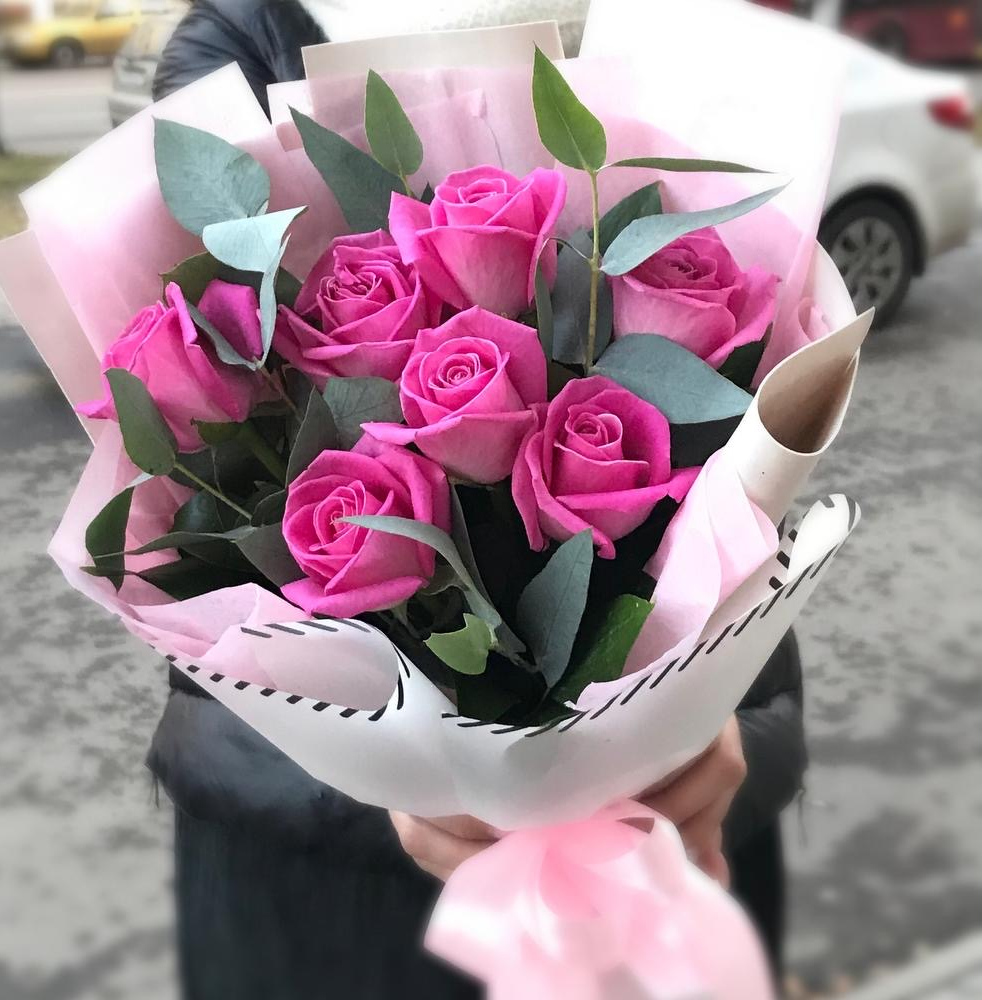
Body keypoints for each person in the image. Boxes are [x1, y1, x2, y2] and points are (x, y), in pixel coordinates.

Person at [150, 4, 808, 996]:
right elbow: (211, 582)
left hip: (672, 827)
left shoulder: (683, 28)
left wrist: (708, 724)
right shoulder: (243, 45)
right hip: (336, 904)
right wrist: (408, 782)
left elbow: (743, 491)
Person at [152, 0, 327, 115]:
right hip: (233, 131)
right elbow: (318, 93)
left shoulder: (200, 22)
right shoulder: (266, 5)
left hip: (184, 138)